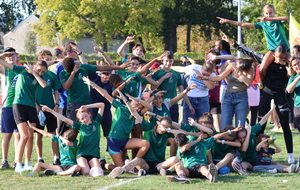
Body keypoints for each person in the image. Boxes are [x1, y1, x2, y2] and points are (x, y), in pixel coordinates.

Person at [82, 77, 150, 170]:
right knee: (120, 168)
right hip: (114, 141)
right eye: (136, 105)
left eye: (139, 107)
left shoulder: (136, 114)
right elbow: (106, 95)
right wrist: (92, 84)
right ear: (130, 102)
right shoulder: (121, 107)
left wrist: (138, 100)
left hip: (125, 141)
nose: (137, 107)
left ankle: (135, 161)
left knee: (145, 143)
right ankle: (104, 165)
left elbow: (148, 106)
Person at [0, 54, 48, 172]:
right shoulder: (22, 70)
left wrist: (35, 73)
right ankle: (18, 164)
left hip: (31, 107)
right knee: (24, 135)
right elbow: (4, 63)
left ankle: (27, 163)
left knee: (30, 136)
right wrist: (3, 55)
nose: (40, 73)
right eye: (39, 70)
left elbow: (44, 84)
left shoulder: (38, 76)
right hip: (19, 105)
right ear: (34, 66)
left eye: (43, 72)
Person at [40, 102, 105, 176]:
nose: (85, 119)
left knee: (98, 173)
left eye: (86, 116)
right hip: (82, 154)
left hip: (93, 154)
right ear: (80, 121)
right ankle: (59, 173)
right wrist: (50, 110)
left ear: (89, 114)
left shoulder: (96, 122)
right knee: (85, 172)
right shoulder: (80, 126)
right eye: (82, 118)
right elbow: (64, 119)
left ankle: (95, 165)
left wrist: (87, 106)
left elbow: (102, 105)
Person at [258, 43, 294, 163]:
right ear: (274, 54)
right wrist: (262, 83)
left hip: (280, 94)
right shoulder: (269, 59)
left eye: (283, 56)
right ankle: (256, 153)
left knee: (285, 125)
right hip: (267, 92)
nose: (280, 59)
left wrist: (287, 64)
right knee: (261, 124)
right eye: (278, 56)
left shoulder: (287, 61)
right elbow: (261, 70)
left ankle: (290, 155)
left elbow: (290, 74)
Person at [167, 126, 242, 184]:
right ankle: (182, 177)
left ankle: (210, 176)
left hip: (200, 166)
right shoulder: (180, 150)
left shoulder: (202, 144)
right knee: (178, 166)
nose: (185, 145)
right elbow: (184, 148)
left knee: (203, 168)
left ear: (188, 140)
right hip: (189, 169)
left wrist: (231, 131)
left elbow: (216, 137)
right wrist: (196, 140)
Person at [198, 57, 254, 130]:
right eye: (236, 63)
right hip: (228, 96)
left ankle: (239, 140)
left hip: (241, 97)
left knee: (240, 125)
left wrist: (238, 70)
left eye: (237, 64)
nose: (235, 64)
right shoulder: (232, 66)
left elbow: (248, 83)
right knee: (224, 124)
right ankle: (223, 140)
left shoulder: (250, 69)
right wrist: (205, 78)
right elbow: (220, 77)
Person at [217, 4, 290, 59]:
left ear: (274, 12)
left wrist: (271, 19)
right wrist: (228, 21)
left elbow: (286, 18)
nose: (269, 15)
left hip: (284, 49)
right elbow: (243, 24)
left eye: (270, 13)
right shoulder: (263, 24)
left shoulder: (278, 22)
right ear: (263, 14)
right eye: (267, 13)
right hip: (272, 50)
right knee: (262, 68)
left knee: (291, 66)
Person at [232, 101, 275, 175]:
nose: (242, 139)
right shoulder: (238, 140)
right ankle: (243, 171)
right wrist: (248, 133)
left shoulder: (251, 130)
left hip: (258, 159)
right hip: (247, 161)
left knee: (274, 163)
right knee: (244, 164)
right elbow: (244, 149)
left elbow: (262, 121)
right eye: (240, 138)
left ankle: (291, 168)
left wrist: (271, 110)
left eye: (244, 137)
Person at [151, 51, 193, 122]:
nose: (168, 63)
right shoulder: (157, 74)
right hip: (160, 103)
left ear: (173, 61)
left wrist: (189, 105)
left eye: (170, 61)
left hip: (173, 103)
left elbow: (182, 91)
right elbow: (153, 88)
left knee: (173, 124)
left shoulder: (176, 74)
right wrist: (164, 77)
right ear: (162, 61)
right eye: (166, 61)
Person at [35, 50, 61, 165]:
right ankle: (39, 157)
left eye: (50, 59)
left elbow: (56, 90)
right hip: (37, 108)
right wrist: (35, 105)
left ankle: (56, 157)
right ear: (40, 59)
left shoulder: (52, 75)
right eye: (46, 59)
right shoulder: (34, 74)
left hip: (49, 107)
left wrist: (56, 105)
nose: (48, 61)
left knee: (53, 133)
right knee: (39, 134)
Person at [0, 47, 20, 169]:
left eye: (13, 55)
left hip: (19, 105)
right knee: (7, 134)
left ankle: (17, 160)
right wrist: (3, 54)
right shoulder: (4, 70)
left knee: (18, 135)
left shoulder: (20, 69)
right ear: (5, 58)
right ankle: (5, 160)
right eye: (9, 55)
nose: (12, 57)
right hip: (7, 105)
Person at [287, 56, 300, 134]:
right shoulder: (293, 78)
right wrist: (298, 78)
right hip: (298, 108)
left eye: (298, 63)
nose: (297, 66)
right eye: (294, 65)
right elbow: (289, 90)